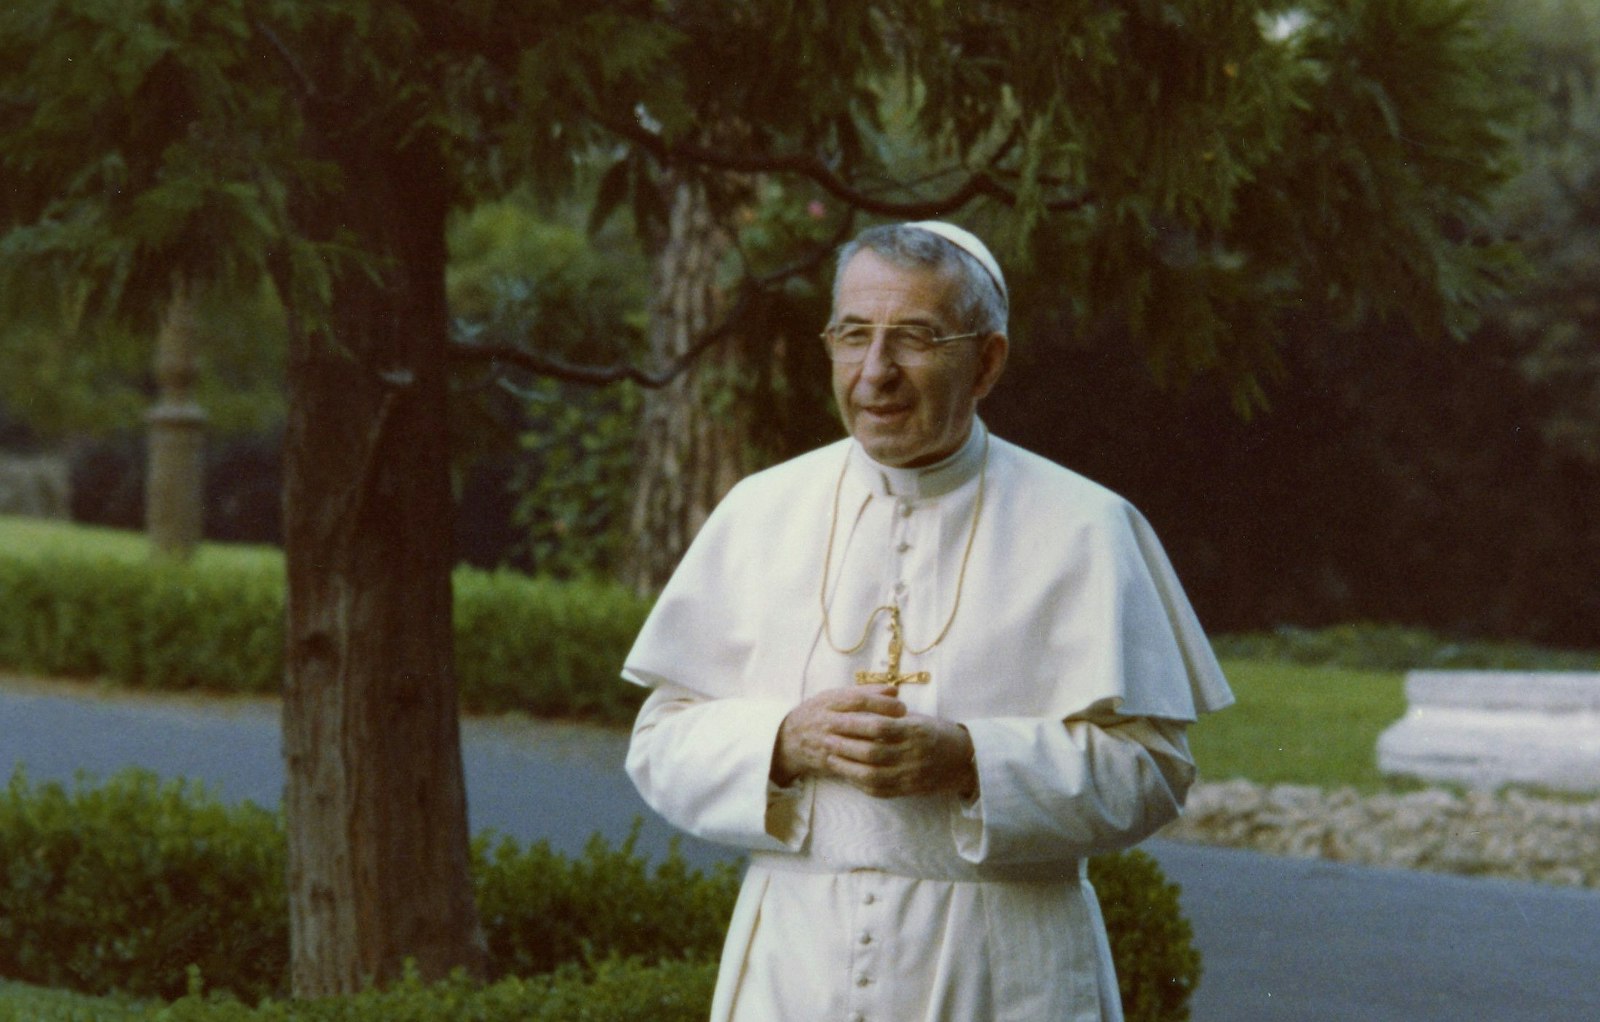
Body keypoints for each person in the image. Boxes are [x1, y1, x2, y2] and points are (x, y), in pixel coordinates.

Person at [623, 221, 1234, 1022]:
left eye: (914, 338)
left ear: (986, 361)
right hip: (795, 966)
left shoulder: (1085, 526)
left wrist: (971, 760)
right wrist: (782, 740)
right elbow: (660, 740)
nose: (876, 373)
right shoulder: (759, 510)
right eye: (853, 336)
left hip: (1004, 968)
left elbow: (1152, 769)